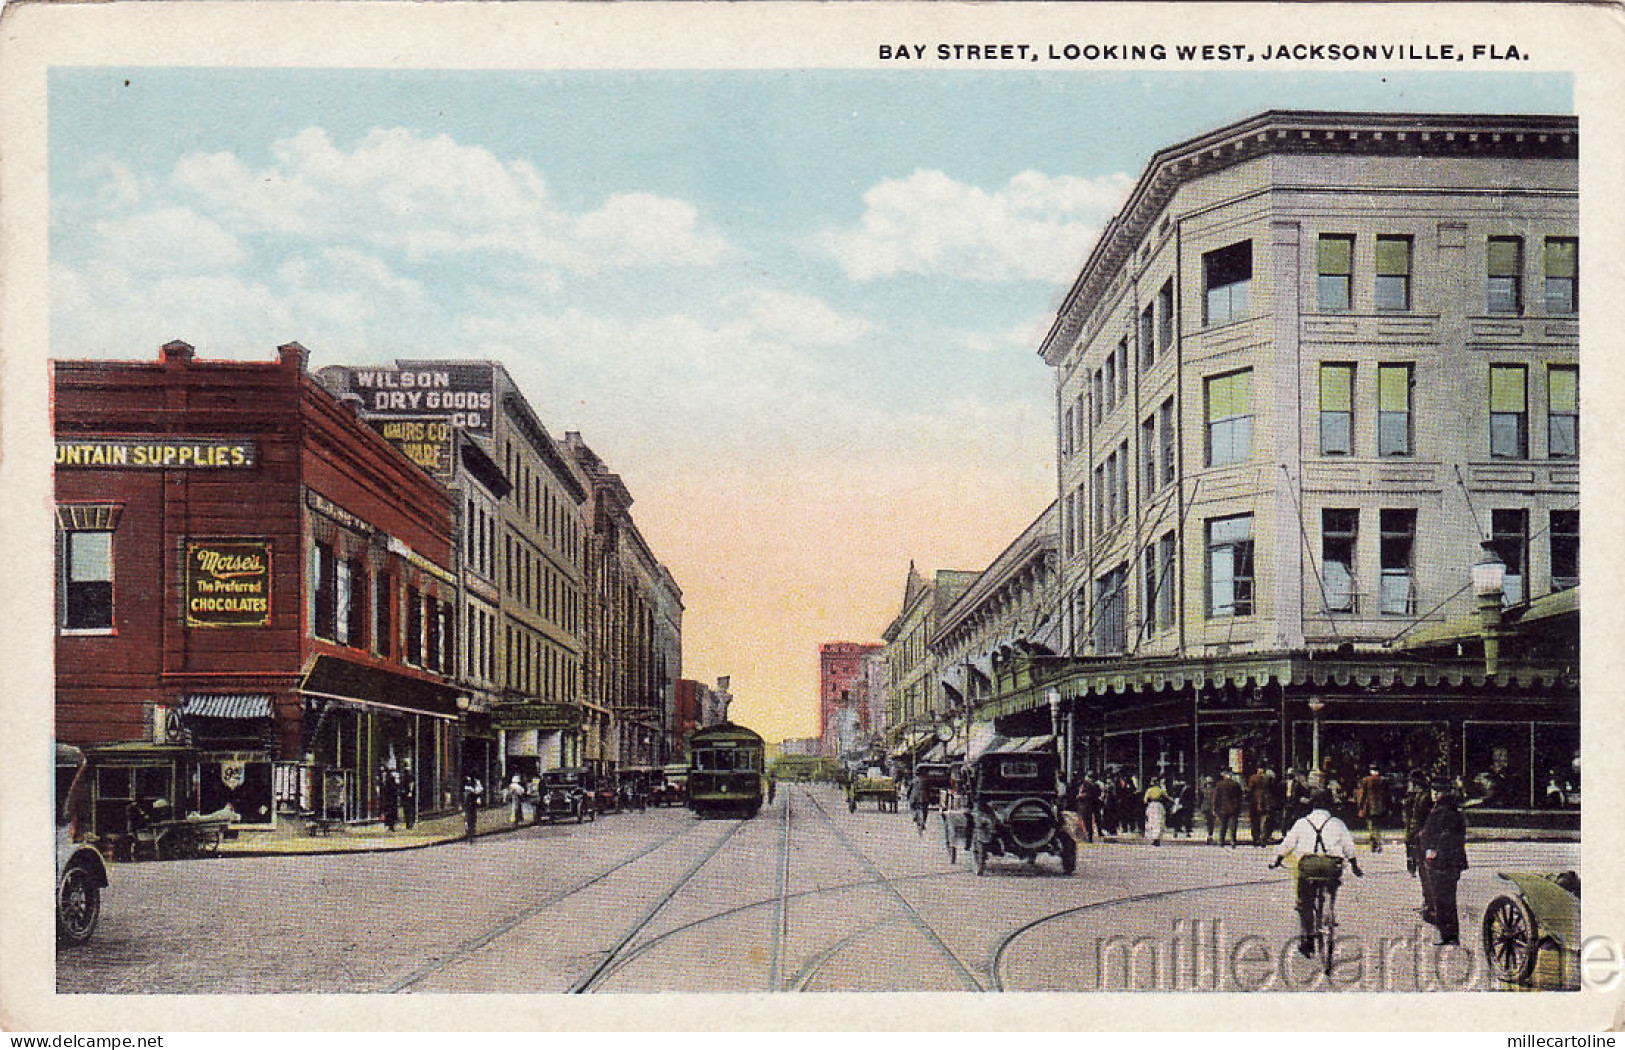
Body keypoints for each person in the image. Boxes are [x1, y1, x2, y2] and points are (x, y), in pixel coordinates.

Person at [1270, 789, 1364, 956]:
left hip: (1309, 866)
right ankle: (1329, 911)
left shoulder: (1302, 822)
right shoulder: (1337, 823)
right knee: (1332, 886)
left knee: (1304, 902)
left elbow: (1287, 844)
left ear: (1312, 805)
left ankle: (1307, 937)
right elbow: (1349, 847)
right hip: (1331, 867)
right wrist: (1355, 866)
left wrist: (1277, 860)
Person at [1417, 778, 1468, 945]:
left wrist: (1432, 852)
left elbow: (1443, 837)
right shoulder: (1450, 810)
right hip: (1451, 861)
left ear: (1442, 793)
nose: (1433, 794)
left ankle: (1446, 934)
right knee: (1447, 899)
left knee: (1442, 899)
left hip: (1442, 862)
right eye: (1433, 791)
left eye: (1436, 791)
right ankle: (1450, 933)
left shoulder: (1442, 811)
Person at [1402, 769, 1434, 877]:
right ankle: (1412, 866)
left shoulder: (1425, 795)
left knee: (1423, 848)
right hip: (1412, 826)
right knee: (1411, 845)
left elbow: (1423, 812)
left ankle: (1424, 866)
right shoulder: (1412, 796)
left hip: (1420, 827)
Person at [1355, 766, 1388, 852]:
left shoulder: (1366, 780)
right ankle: (1378, 842)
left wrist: (1360, 807)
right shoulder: (1383, 780)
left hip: (1369, 807)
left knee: (1371, 826)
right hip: (1381, 807)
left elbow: (1362, 795)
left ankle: (1375, 844)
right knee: (1378, 826)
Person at [1213, 770, 1243, 847]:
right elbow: (1240, 796)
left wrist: (1215, 808)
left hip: (1222, 808)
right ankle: (1232, 840)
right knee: (1233, 826)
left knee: (1223, 825)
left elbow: (1216, 797)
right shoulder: (1235, 784)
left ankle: (1221, 840)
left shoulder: (1219, 784)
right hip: (1233, 808)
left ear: (1224, 776)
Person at [1246, 766, 1275, 847]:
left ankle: (1256, 838)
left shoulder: (1253, 778)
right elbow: (1272, 789)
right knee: (1264, 821)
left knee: (1255, 821)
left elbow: (1249, 790)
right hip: (1266, 802)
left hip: (1255, 802)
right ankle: (1263, 838)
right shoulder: (1268, 778)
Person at [1074, 775, 1100, 844]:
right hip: (1085, 805)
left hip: (1086, 805)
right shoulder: (1088, 785)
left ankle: (1088, 837)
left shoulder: (1087, 785)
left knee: (1087, 821)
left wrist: (1080, 796)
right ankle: (1087, 836)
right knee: (1086, 821)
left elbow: (1088, 794)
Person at [1143, 780, 1168, 846]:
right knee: (1159, 822)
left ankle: (1153, 839)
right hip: (1159, 806)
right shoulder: (1161, 790)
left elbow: (1145, 800)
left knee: (1151, 822)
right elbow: (1166, 797)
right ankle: (1157, 839)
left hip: (1151, 806)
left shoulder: (1149, 790)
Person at [462, 774, 483, 842]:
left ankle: (470, 834)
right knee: (469, 820)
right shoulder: (469, 789)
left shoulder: (475, 784)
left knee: (470, 820)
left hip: (471, 806)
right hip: (469, 806)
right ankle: (469, 834)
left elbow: (479, 792)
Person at [380, 767, 400, 833]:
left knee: (390, 812)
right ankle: (389, 825)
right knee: (389, 812)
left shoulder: (389, 779)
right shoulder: (386, 780)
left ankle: (390, 825)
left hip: (390, 799)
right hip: (388, 799)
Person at [400, 762, 417, 829]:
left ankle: (409, 822)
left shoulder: (407, 776)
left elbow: (411, 784)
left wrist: (410, 791)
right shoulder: (405, 776)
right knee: (407, 809)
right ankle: (409, 823)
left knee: (408, 809)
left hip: (407, 794)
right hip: (406, 794)